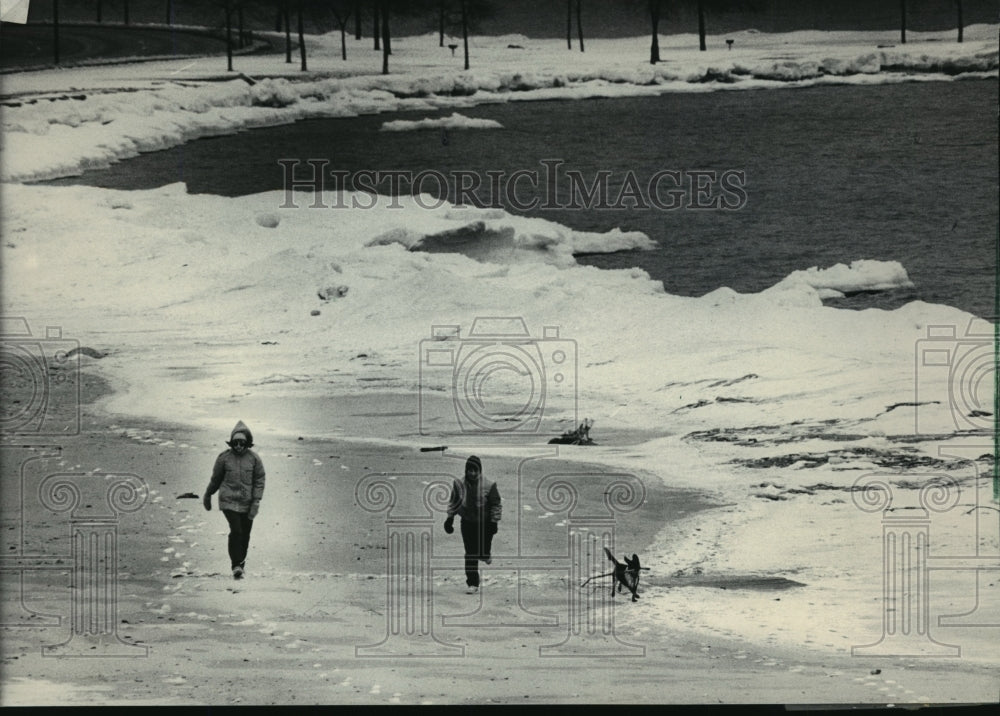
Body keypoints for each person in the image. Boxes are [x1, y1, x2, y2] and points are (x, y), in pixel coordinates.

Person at [203, 421, 265, 580]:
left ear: (247, 443)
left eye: (242, 443)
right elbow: (215, 479)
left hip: (248, 502)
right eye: (235, 443)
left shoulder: (254, 459)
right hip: (228, 500)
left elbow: (259, 480)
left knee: (245, 534)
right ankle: (235, 564)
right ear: (231, 442)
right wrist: (208, 495)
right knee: (236, 531)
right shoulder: (223, 458)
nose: (238, 446)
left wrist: (256, 500)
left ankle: (240, 565)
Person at [443, 455, 501, 594]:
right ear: (466, 470)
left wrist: (494, 522)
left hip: (485, 523)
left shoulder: (489, 485)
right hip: (467, 523)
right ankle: (473, 583)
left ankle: (486, 554)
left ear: (480, 471)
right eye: (470, 470)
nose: (473, 473)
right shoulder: (458, 484)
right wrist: (449, 519)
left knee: (482, 551)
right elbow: (454, 502)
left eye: (476, 470)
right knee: (470, 553)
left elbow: (496, 504)